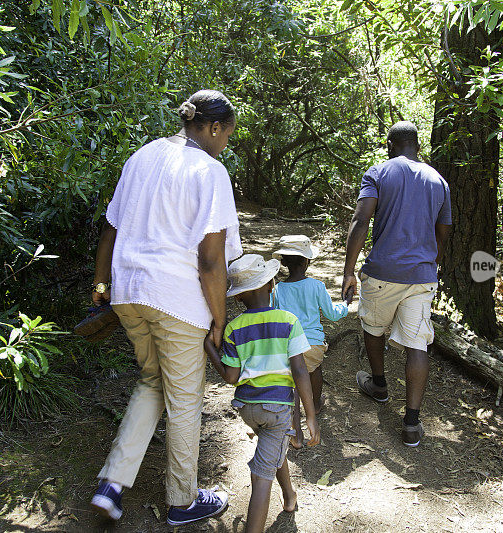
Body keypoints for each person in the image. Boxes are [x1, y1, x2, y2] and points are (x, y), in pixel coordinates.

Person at [89, 90, 242, 526]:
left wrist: (100, 284)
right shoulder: (209, 171)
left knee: (153, 380)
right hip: (175, 300)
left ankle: (111, 484)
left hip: (129, 292)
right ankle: (183, 500)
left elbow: (110, 228)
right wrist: (219, 319)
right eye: (226, 135)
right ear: (212, 128)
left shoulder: (143, 156)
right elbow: (212, 260)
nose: (225, 144)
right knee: (185, 399)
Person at [341, 121, 452, 447]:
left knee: (373, 328)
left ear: (390, 144)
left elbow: (361, 220)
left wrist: (349, 271)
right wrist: (433, 262)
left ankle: (378, 385)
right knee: (418, 343)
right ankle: (412, 424)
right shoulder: (438, 180)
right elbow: (444, 230)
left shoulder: (378, 173)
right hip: (421, 276)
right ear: (417, 146)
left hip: (383, 273)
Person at [204, 254, 320, 533]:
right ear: (271, 285)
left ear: (238, 298)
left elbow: (231, 376)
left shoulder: (234, 328)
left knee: (273, 445)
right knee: (260, 476)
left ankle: (289, 496)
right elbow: (301, 371)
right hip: (278, 411)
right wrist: (310, 416)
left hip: (248, 409)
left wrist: (210, 349)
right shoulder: (288, 321)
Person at [272, 234, 347, 448]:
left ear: (283, 262)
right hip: (313, 345)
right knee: (315, 370)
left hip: (288, 346)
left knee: (294, 383)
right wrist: (345, 305)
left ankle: (295, 432)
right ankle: (314, 404)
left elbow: (272, 314)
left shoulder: (278, 290)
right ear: (307, 261)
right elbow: (332, 314)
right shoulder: (316, 286)